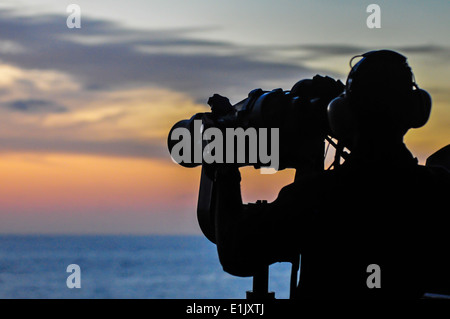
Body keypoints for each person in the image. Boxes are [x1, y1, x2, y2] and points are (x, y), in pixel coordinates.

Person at [209, 50, 450, 299]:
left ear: (343, 115)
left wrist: (224, 163)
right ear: (416, 111)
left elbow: (236, 255)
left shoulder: (315, 198)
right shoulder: (438, 191)